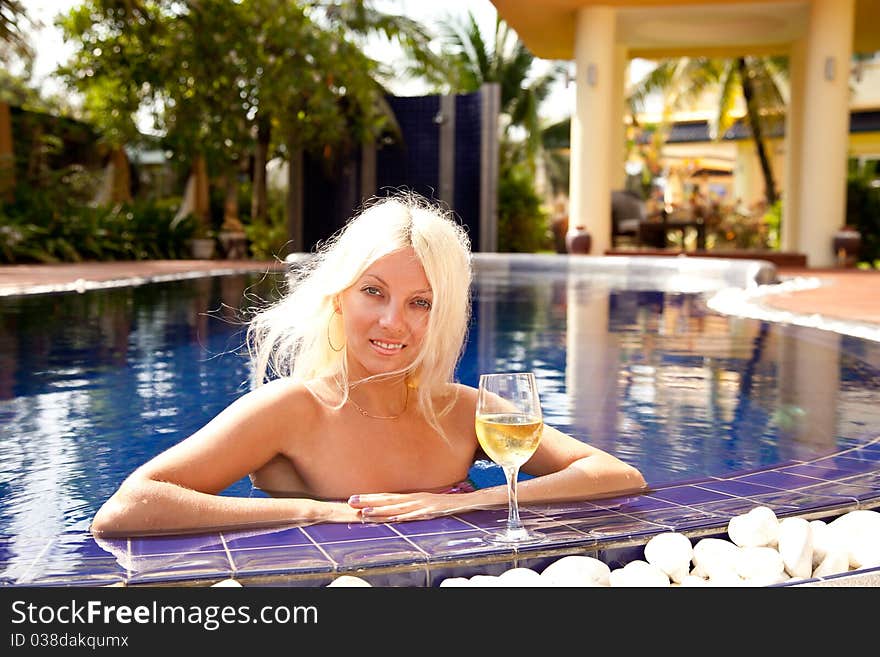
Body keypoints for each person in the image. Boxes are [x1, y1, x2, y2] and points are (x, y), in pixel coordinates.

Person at [90, 192, 646, 538]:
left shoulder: (462, 411)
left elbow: (618, 477)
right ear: (339, 296)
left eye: (419, 303)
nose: (392, 322)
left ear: (441, 315)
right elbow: (128, 507)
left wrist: (471, 499)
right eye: (373, 292)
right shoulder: (292, 409)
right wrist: (313, 513)